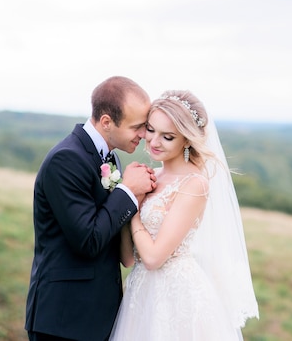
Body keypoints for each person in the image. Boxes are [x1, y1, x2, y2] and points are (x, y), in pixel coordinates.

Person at [109, 90, 259, 341]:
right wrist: (128, 194)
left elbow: (154, 258)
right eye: (151, 129)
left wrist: (133, 207)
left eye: (167, 137)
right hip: (140, 295)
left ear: (187, 140)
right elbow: (128, 258)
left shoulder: (194, 185)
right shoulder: (150, 177)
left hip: (176, 298)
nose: (154, 142)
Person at [25, 76, 157, 341]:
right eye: (137, 127)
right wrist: (128, 191)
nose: (144, 135)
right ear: (106, 122)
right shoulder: (66, 159)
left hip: (97, 317)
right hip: (64, 319)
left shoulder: (111, 157)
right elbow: (88, 240)